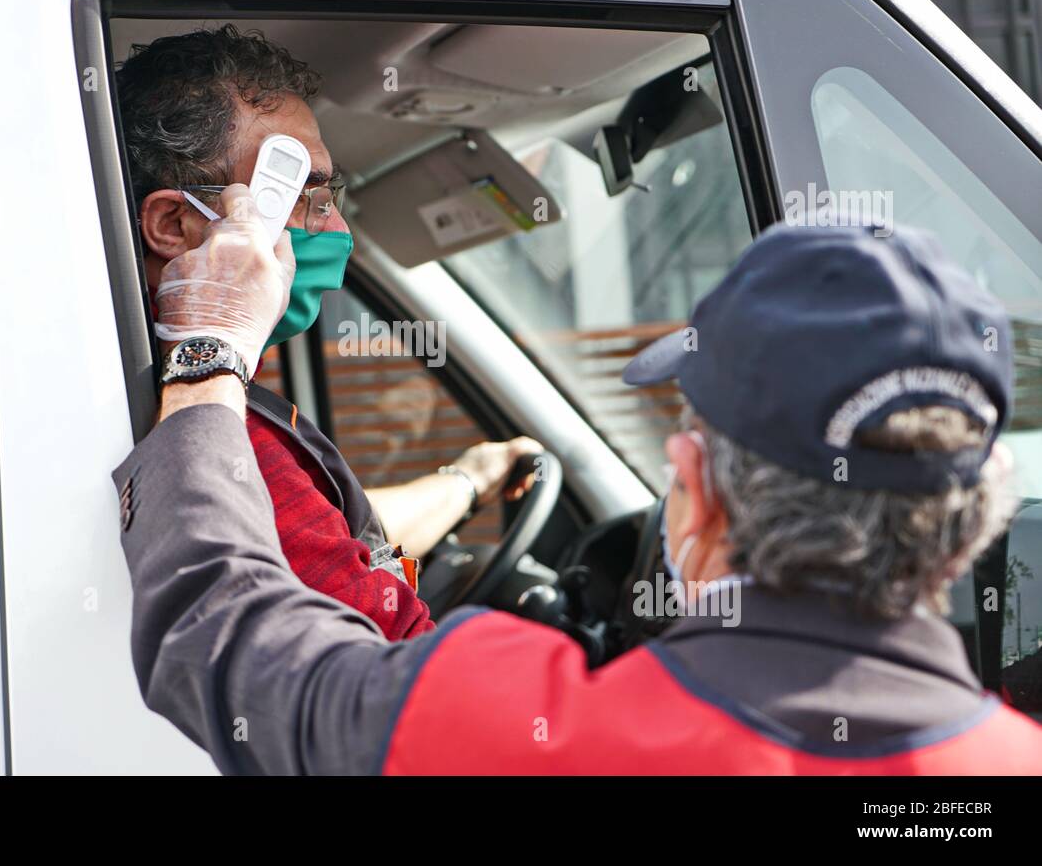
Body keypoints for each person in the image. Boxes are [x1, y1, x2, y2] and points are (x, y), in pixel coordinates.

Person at [113, 202, 1042, 775]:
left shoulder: (523, 733)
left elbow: (219, 627)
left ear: (696, 493)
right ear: (976, 517)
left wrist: (206, 353)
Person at [116, 26, 539, 640]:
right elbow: (397, 678)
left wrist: (469, 479)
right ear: (174, 225)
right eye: (304, 193)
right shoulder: (220, 439)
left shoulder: (205, 417)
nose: (338, 227)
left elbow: (337, 541)